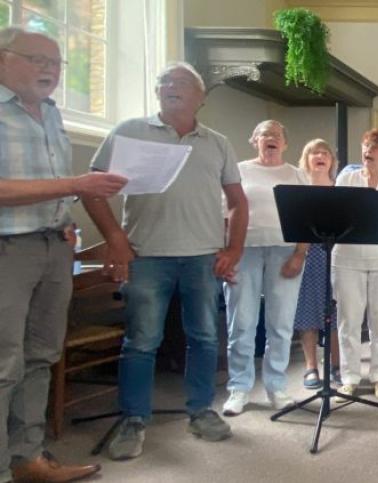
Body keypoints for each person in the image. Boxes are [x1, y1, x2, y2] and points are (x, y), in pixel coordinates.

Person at [84, 62, 247, 460]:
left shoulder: (217, 142)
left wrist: (233, 250)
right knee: (141, 341)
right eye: (165, 82)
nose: (171, 87)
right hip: (146, 256)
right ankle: (134, 418)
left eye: (182, 83)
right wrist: (115, 239)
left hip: (202, 257)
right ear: (157, 93)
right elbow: (91, 189)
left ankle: (201, 410)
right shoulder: (128, 132)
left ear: (201, 97)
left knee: (205, 337)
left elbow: (238, 202)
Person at [0, 26, 123, 482]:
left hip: (54, 246)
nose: (50, 70)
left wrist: (66, 215)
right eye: (38, 59)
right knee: (2, 361)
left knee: (40, 355)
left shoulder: (50, 113)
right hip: (7, 250)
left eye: (56, 63)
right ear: (3, 58)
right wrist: (75, 186)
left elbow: (44, 183)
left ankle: (28, 458)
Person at [221, 120, 307, 416]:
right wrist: (225, 255)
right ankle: (239, 387)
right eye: (264, 134)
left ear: (285, 143)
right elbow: (223, 215)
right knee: (241, 321)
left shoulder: (297, 175)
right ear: (253, 140)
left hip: (285, 251)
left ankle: (276, 386)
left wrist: (299, 255)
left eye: (276, 135)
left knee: (280, 323)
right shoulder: (238, 171)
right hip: (243, 251)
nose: (270, 138)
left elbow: (306, 221)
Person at [332, 129, 378, 402]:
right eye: (365, 145)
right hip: (348, 259)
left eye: (374, 147)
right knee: (349, 320)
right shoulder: (346, 178)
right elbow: (336, 217)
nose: (368, 150)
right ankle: (349, 378)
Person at [292, 139, 341, 390]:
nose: (320, 156)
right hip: (308, 255)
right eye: (314, 152)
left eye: (325, 153)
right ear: (306, 158)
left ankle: (336, 365)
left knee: (336, 312)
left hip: (337, 257)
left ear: (331, 160)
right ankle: (311, 367)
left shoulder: (340, 188)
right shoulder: (298, 187)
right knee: (308, 311)